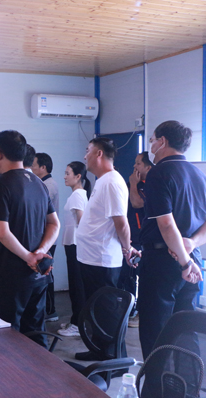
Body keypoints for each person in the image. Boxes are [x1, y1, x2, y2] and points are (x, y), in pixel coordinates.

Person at [138, 121, 206, 359]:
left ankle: (157, 382)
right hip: (193, 259)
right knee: (185, 329)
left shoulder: (159, 173)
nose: (151, 145)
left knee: (156, 331)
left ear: (162, 141)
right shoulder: (201, 177)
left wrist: (184, 262)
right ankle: (188, 380)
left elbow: (166, 224)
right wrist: (191, 245)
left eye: (152, 140)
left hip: (163, 262)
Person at [0, 130, 60, 348]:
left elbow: (2, 232)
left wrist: (28, 256)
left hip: (10, 275)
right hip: (38, 274)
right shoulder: (38, 182)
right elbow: (54, 224)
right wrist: (40, 253)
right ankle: (42, 370)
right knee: (35, 334)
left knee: (7, 337)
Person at [75, 137, 138, 360]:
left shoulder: (111, 182)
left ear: (99, 154)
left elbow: (121, 223)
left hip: (101, 260)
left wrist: (127, 249)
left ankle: (114, 360)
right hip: (91, 257)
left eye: (88, 151)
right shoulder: (103, 181)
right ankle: (100, 351)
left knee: (107, 312)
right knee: (97, 311)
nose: (85, 156)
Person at [118, 151, 154, 328]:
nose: (134, 167)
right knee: (127, 276)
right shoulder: (131, 184)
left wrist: (133, 184)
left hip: (143, 240)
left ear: (148, 167)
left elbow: (137, 203)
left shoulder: (151, 186)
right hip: (129, 238)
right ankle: (128, 310)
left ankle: (141, 313)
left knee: (142, 276)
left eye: (138, 163)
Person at [57, 161, 91, 337]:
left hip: (76, 244)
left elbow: (82, 221)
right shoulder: (77, 194)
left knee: (77, 286)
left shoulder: (78, 195)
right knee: (75, 284)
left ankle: (78, 325)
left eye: (67, 173)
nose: (64, 176)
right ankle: (76, 320)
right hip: (73, 244)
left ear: (78, 176)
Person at [32, 152, 60, 322]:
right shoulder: (43, 183)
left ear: (43, 167)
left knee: (45, 273)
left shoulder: (48, 185)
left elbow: (38, 208)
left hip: (47, 239)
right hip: (44, 237)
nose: (31, 168)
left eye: (34, 165)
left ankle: (50, 311)